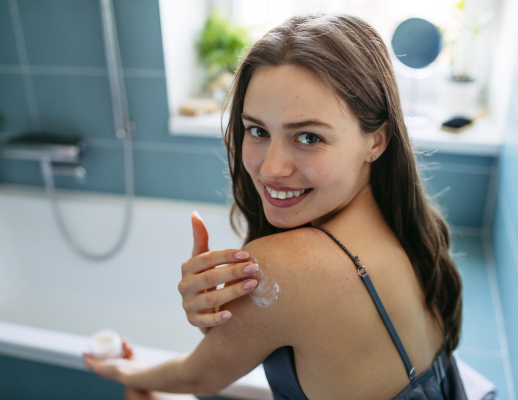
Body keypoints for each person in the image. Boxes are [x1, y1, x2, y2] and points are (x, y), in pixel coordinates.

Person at [84, 13, 465, 400]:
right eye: (258, 131)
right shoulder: (407, 228)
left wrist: (123, 370)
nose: (270, 168)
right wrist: (227, 322)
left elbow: (196, 380)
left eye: (308, 136)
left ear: (377, 141)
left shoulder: (287, 266)